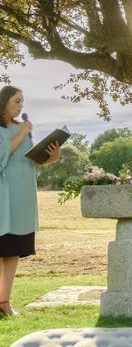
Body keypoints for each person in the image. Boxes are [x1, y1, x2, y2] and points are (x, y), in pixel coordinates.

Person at [0, 86, 60, 317]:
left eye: (23, 101)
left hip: (23, 198)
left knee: (12, 251)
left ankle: (4, 303)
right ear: (4, 101)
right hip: (3, 196)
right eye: (17, 100)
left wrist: (50, 158)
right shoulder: (16, 130)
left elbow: (30, 161)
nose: (21, 104)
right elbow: (3, 155)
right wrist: (23, 133)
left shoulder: (22, 128)